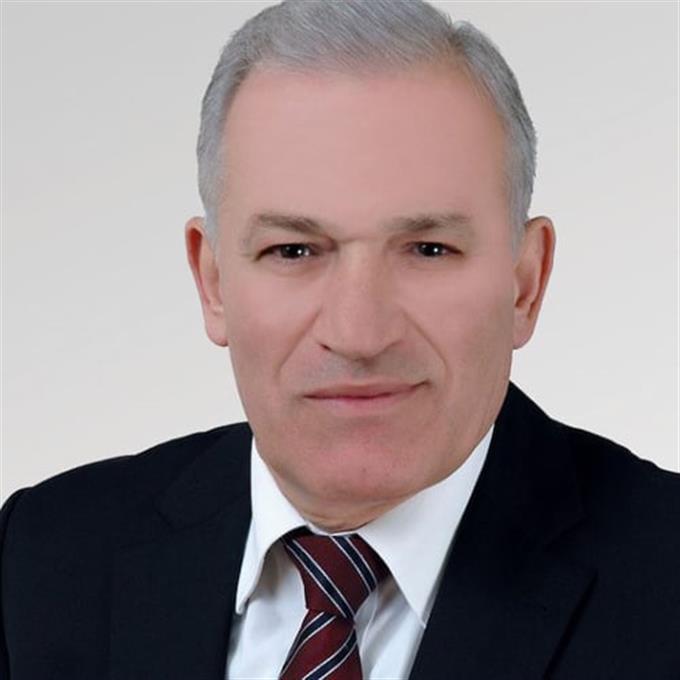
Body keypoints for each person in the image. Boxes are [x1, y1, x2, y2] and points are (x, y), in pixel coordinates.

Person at [1, 1, 678, 678]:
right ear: (212, 283)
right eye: (293, 251)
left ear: (525, 283)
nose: (359, 335)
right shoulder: (41, 559)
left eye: (429, 250)